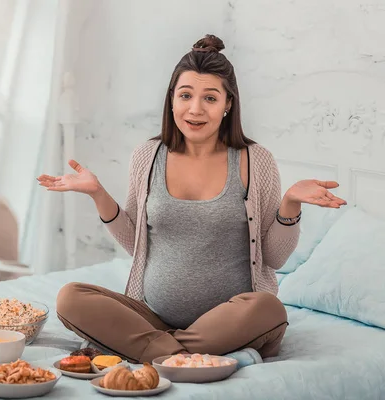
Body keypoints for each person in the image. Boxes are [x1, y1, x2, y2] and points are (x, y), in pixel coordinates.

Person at [37, 34, 346, 364]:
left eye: (210, 98)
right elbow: (136, 244)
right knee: (71, 298)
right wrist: (98, 194)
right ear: (172, 100)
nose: (195, 109)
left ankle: (154, 350)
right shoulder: (147, 156)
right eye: (186, 95)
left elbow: (273, 257)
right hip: (153, 319)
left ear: (228, 104)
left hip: (231, 322)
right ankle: (181, 353)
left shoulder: (256, 161)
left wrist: (290, 205)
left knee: (268, 309)